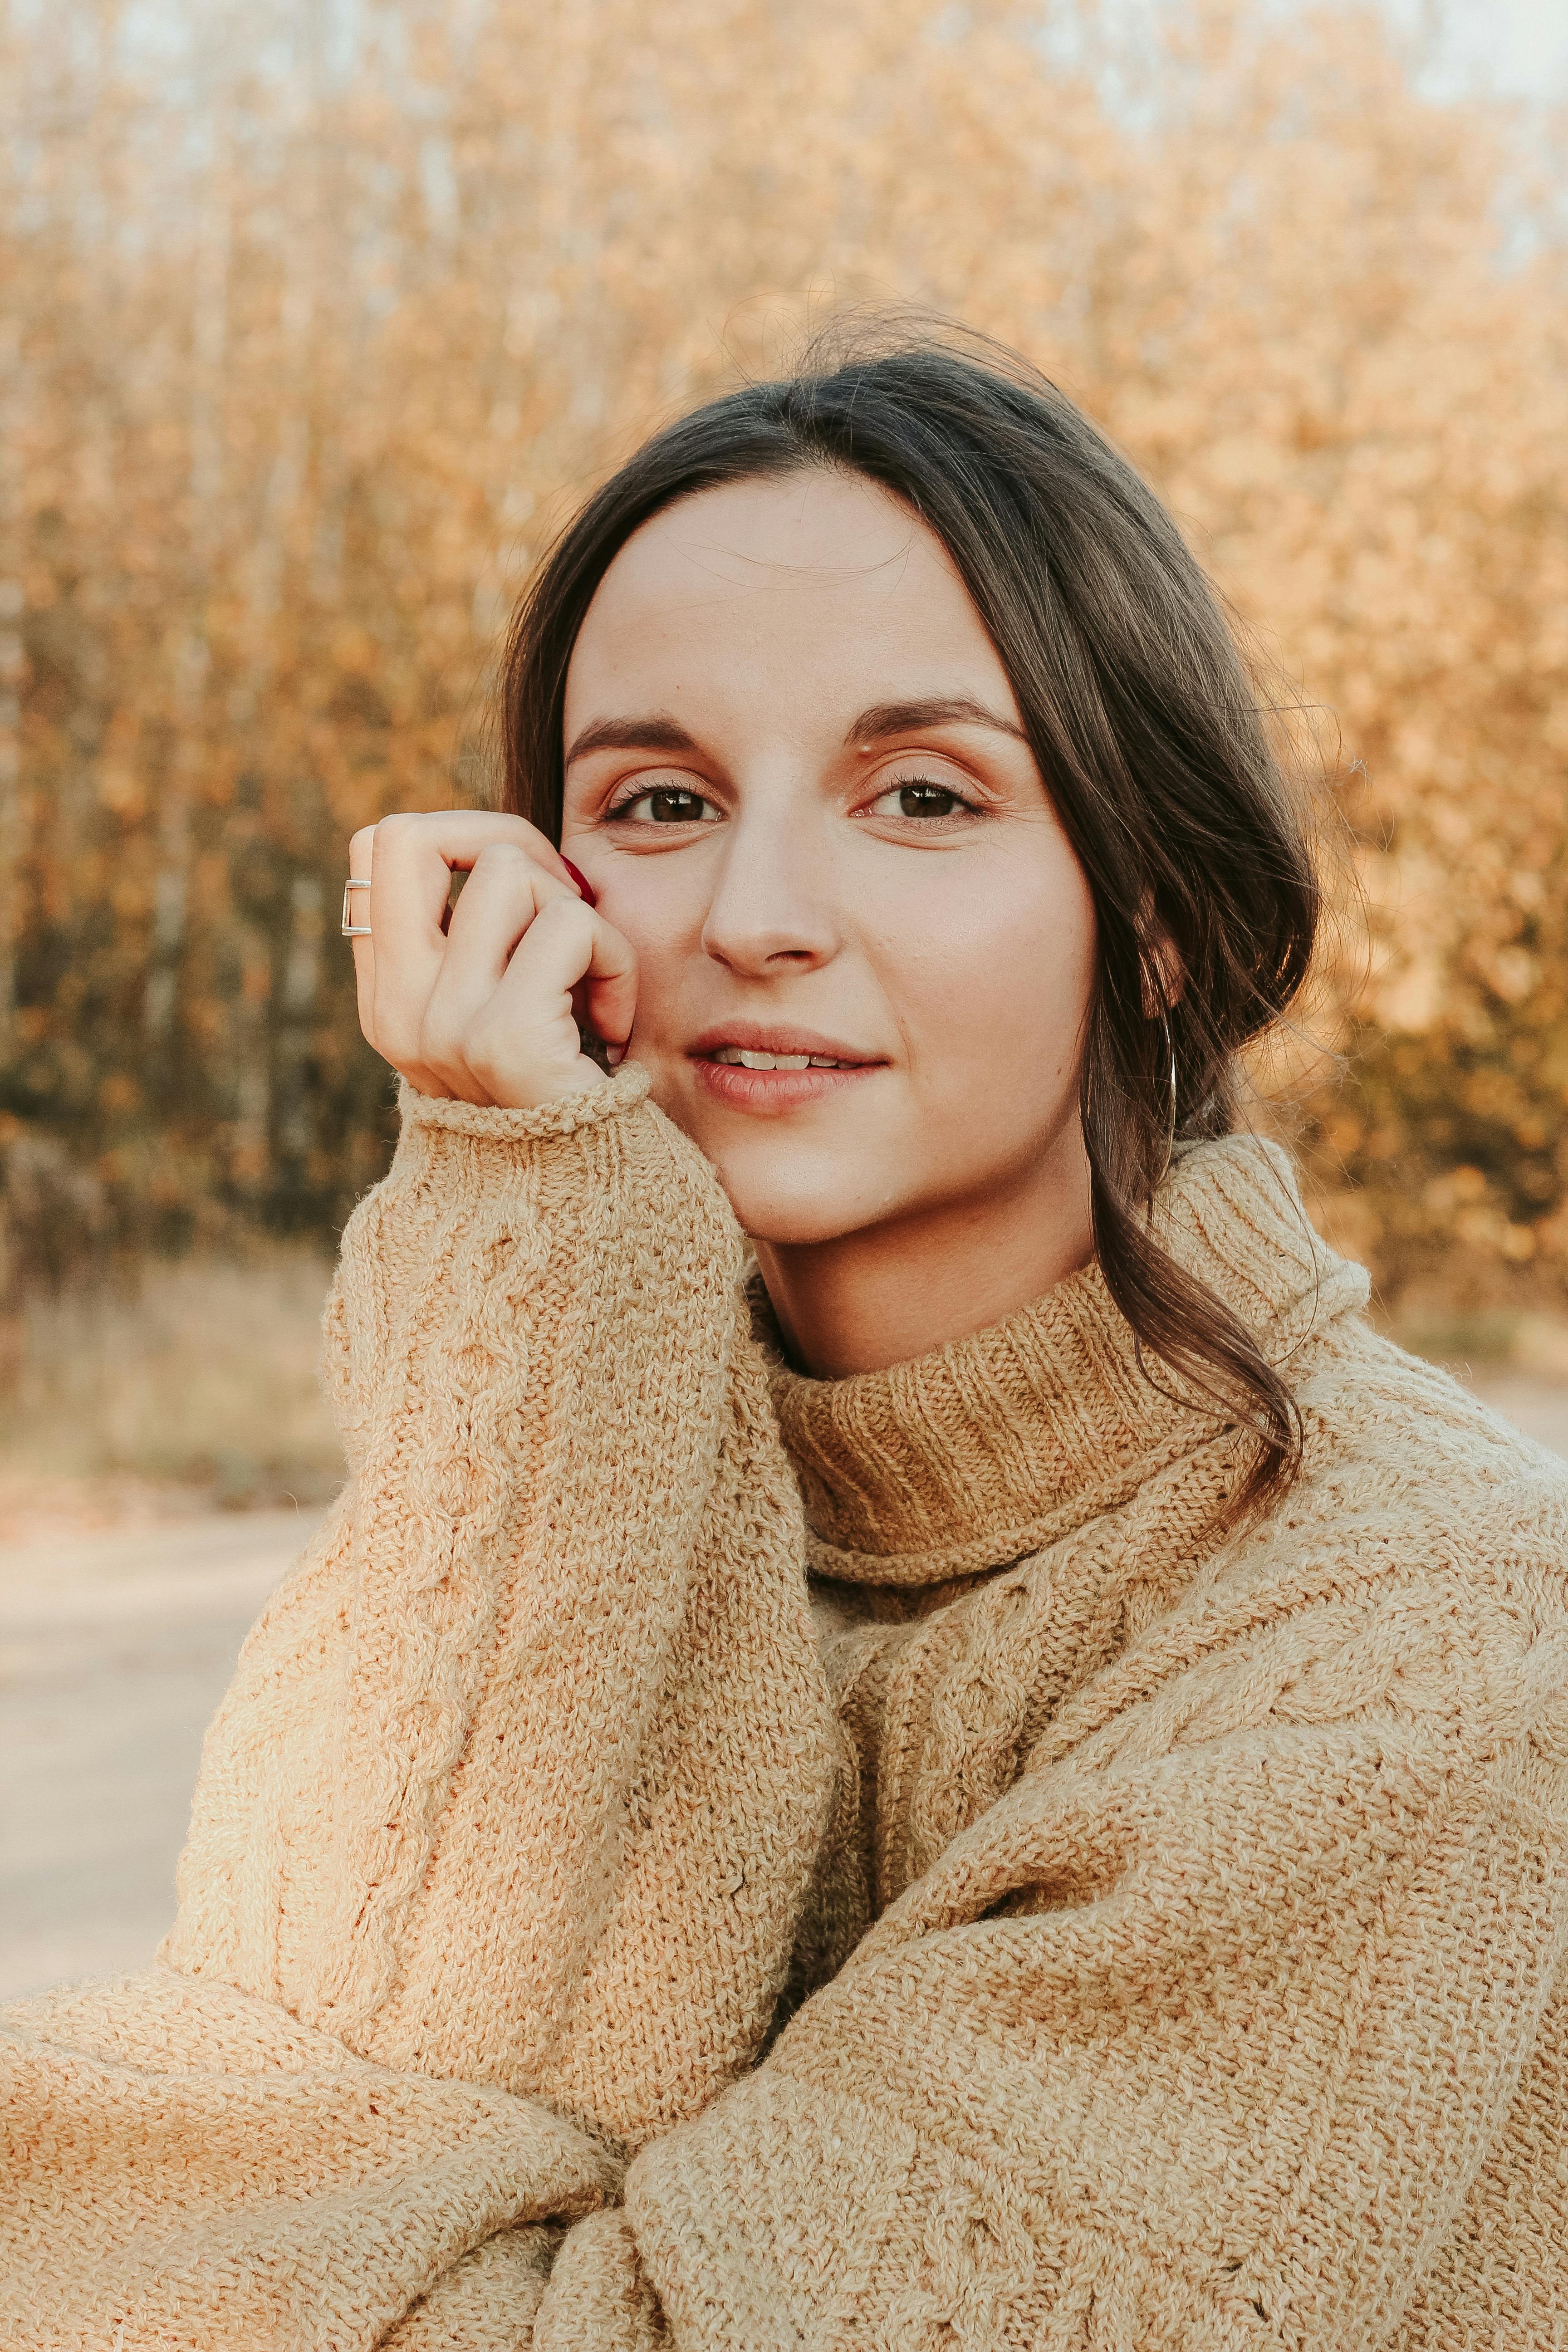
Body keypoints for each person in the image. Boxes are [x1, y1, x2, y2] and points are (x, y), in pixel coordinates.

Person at [5, 328, 1566, 2352]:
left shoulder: (1417, 1647)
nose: (755, 911)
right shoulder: (595, 1452)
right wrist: (528, 1246)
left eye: (920, 794)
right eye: (656, 801)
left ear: (1157, 905)